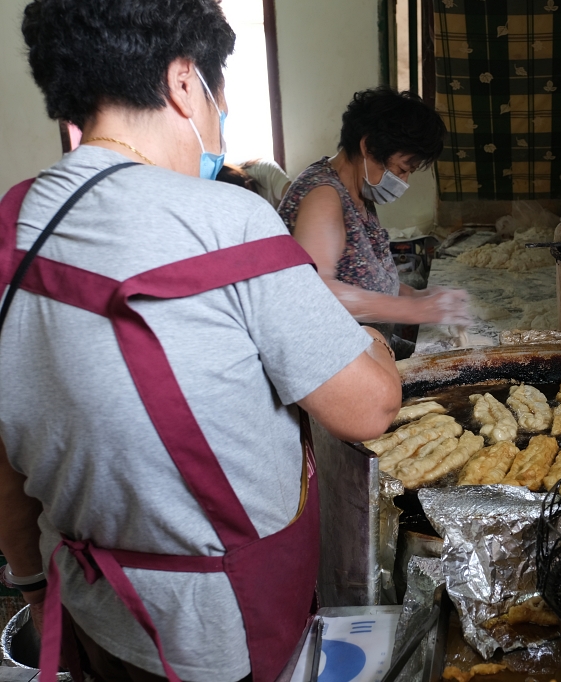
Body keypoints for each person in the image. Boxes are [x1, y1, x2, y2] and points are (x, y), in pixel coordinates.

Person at [0, 2, 401, 681]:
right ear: (186, 83)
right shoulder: (227, 221)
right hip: (221, 637)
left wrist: (34, 589)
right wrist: (369, 339)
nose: (218, 120)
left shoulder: (9, 225)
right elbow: (368, 408)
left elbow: (6, 465)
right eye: (221, 99)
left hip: (93, 614)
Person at [278, 87, 472, 337]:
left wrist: (415, 295)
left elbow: (359, 276)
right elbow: (316, 291)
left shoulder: (359, 192)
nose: (404, 180)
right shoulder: (323, 197)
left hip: (370, 346)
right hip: (329, 360)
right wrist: (413, 310)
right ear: (368, 147)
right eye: (403, 168)